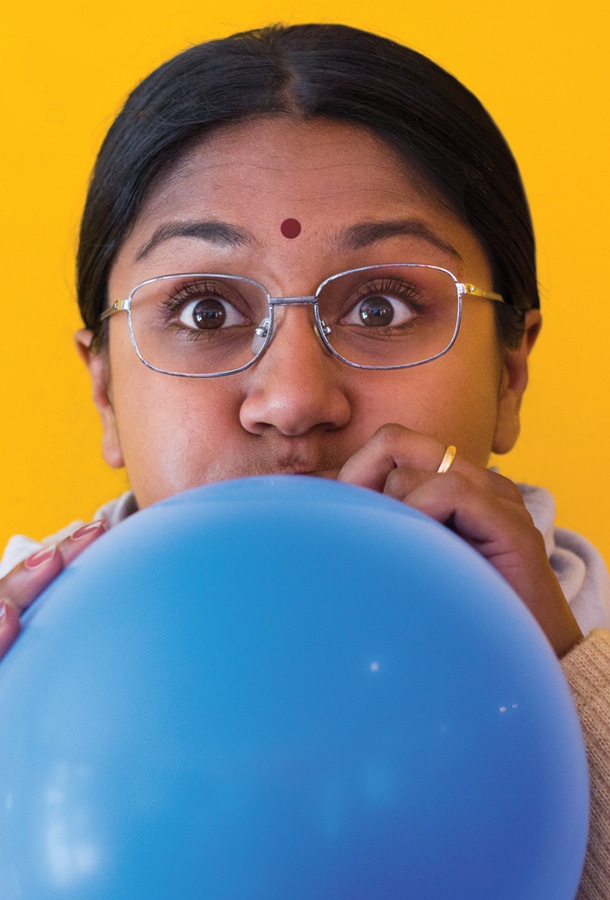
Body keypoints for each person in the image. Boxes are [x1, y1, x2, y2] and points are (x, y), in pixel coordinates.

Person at [0, 23, 609, 894]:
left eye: (384, 307)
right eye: (206, 311)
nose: (293, 399)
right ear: (103, 389)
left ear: (511, 372)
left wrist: (569, 693)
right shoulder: (16, 685)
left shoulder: (593, 666)